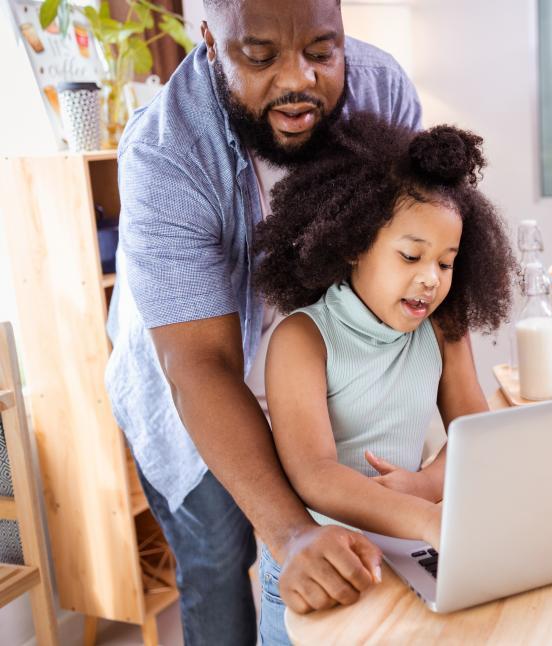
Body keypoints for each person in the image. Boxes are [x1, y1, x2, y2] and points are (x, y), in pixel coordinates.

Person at [105, 0, 421, 642]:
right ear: (210, 43)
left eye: (321, 50)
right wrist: (292, 531)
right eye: (260, 55)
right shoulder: (165, 153)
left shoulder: (381, 89)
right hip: (196, 401)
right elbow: (200, 364)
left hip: (320, 389)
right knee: (221, 569)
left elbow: (427, 249)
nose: (297, 79)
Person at [249, 112, 517, 644]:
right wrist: (420, 514)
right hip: (321, 567)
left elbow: (476, 437)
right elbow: (315, 474)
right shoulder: (302, 340)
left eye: (447, 262)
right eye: (411, 255)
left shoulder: (443, 327)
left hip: (405, 549)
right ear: (352, 242)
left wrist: (424, 488)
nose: (430, 279)